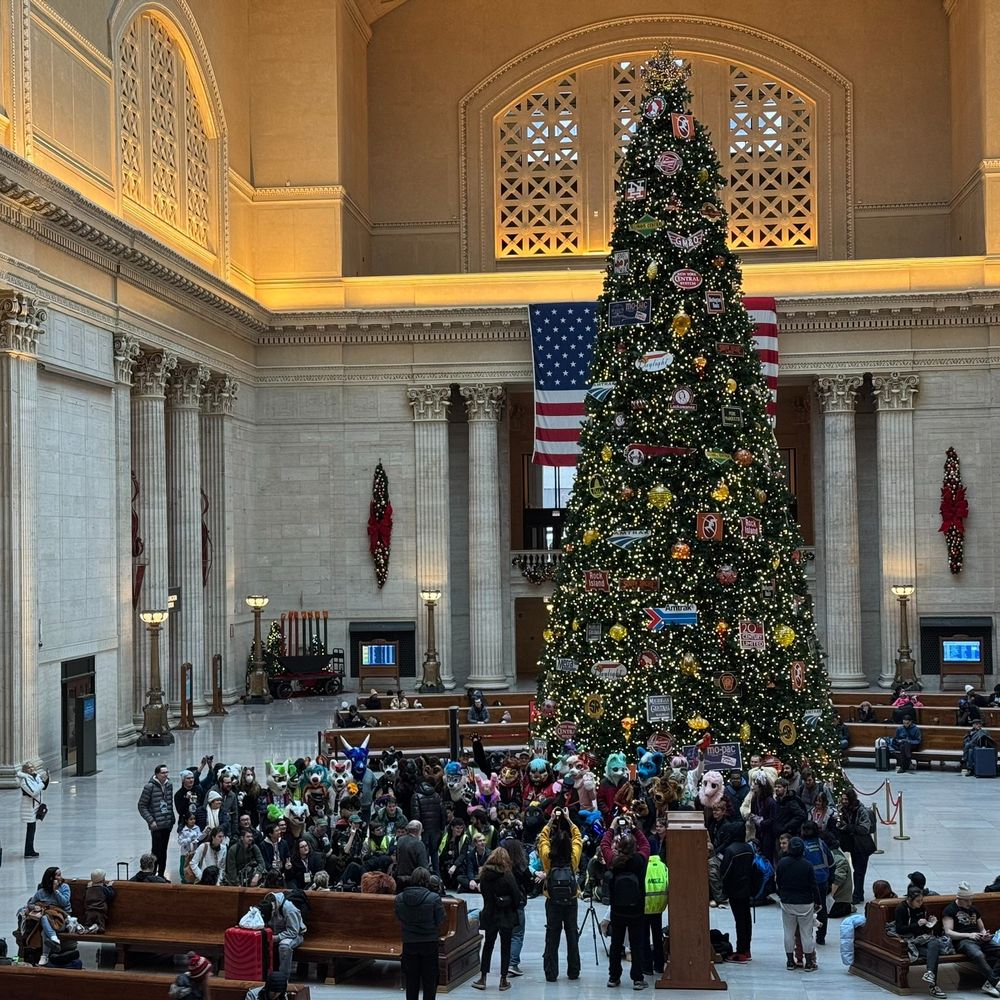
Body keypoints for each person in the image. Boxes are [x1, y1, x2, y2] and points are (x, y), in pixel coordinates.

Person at [537, 805, 581, 982]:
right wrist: (568, 820)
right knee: (572, 934)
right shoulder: (573, 857)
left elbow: (542, 838)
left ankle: (551, 973)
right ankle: (573, 971)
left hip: (553, 901)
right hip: (571, 900)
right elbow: (577, 836)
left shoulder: (548, 856)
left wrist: (550, 822)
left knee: (552, 935)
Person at [471, 847, 522, 991]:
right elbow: (517, 897)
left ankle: (483, 978)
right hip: (506, 915)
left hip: (490, 913)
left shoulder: (484, 875)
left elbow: (485, 896)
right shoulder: (507, 875)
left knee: (488, 945)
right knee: (505, 947)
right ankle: (503, 979)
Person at [605, 832, 649, 990]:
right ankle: (637, 979)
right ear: (634, 847)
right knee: (637, 944)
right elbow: (646, 845)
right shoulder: (640, 860)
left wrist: (611, 828)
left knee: (616, 944)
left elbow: (604, 845)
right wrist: (636, 828)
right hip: (636, 909)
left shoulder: (613, 860)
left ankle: (613, 977)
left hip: (617, 910)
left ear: (618, 847)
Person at [941, 882, 1000, 997]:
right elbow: (949, 932)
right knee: (978, 955)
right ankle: (995, 982)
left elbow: (981, 928)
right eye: (967, 900)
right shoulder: (950, 910)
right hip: (963, 941)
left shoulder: (973, 909)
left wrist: (985, 935)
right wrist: (969, 935)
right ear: (959, 899)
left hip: (979, 938)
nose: (970, 903)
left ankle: (989, 983)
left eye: (970, 900)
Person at [395, 866, 444, 1000]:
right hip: (429, 943)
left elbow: (399, 917)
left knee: (411, 982)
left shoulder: (399, 898)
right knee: (429, 982)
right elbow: (440, 920)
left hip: (409, 943)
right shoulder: (434, 898)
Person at [775, 836, 820, 972]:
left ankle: (790, 961)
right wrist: (818, 901)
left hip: (788, 901)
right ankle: (809, 963)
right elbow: (813, 885)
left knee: (788, 932)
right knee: (806, 933)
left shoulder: (782, 863)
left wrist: (782, 895)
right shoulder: (807, 865)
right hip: (805, 902)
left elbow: (779, 882)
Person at [895, 885, 948, 999]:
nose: (920, 903)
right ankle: (933, 985)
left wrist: (931, 924)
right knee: (934, 953)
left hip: (922, 939)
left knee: (933, 945)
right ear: (909, 899)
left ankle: (930, 974)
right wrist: (916, 924)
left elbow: (924, 930)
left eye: (921, 900)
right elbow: (899, 929)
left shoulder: (922, 908)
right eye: (918, 901)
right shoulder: (901, 909)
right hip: (909, 940)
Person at [720, 825, 755, 963]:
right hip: (747, 888)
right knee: (746, 919)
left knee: (739, 920)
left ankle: (740, 952)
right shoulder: (749, 848)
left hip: (734, 889)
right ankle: (746, 948)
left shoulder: (730, 850)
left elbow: (725, 871)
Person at [24, 866, 70, 965]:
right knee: (45, 926)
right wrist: (34, 907)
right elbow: (30, 904)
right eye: (58, 875)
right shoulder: (42, 891)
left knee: (44, 920)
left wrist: (55, 891)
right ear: (51, 878)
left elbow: (65, 903)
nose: (60, 877)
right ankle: (49, 949)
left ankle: (46, 952)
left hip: (61, 920)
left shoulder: (64, 887)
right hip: (48, 922)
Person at [837, 788, 875, 903]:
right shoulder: (844, 810)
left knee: (859, 870)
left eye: (846, 799)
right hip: (854, 845)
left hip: (862, 845)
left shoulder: (861, 811)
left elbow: (864, 829)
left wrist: (848, 827)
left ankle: (858, 895)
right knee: (857, 869)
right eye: (842, 799)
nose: (843, 801)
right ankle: (859, 893)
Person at [799, 820, 833, 945]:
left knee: (807, 909)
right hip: (823, 880)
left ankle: (807, 936)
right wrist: (831, 880)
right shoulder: (821, 843)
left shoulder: (801, 846)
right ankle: (821, 936)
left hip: (807, 882)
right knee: (821, 908)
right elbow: (831, 862)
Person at [137, 762, 174, 877]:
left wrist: (172, 819)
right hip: (156, 825)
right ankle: (152, 873)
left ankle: (162, 875)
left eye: (166, 772)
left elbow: (169, 803)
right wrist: (150, 820)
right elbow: (141, 805)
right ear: (156, 774)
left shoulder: (169, 785)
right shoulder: (149, 787)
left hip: (167, 824)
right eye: (163, 773)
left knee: (164, 851)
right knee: (156, 851)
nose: (165, 775)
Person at [503, 837, 532, 977]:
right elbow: (530, 886)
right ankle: (512, 963)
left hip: (502, 904)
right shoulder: (522, 868)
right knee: (517, 934)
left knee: (506, 935)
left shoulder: (500, 867)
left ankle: (505, 962)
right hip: (518, 904)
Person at [265, 891, 307, 977]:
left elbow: (293, 932)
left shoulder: (289, 909)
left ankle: (283, 977)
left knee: (284, 946)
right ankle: (265, 974)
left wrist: (275, 938)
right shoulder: (266, 905)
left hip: (295, 935)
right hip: (276, 934)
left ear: (274, 907)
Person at [17, 762, 49, 858]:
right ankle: (28, 851)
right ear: (25, 770)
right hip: (29, 808)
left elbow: (43, 787)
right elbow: (33, 792)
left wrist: (46, 780)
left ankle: (30, 850)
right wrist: (42, 784)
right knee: (30, 830)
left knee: (32, 830)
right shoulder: (24, 780)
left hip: (35, 807)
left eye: (32, 767)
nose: (31, 769)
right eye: (28, 768)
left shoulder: (36, 777)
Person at [825, 831, 855, 917]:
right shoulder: (830, 854)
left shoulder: (837, 858)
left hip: (838, 902)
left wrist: (826, 902)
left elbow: (837, 880)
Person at [396, 820, 432, 888]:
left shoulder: (400, 840)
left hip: (400, 879)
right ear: (418, 831)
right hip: (414, 882)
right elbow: (423, 867)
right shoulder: (419, 844)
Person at [83, 868, 116, 933]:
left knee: (87, 924)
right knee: (101, 927)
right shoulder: (103, 889)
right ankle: (97, 928)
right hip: (100, 913)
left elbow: (84, 897)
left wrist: (87, 887)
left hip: (88, 912)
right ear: (103, 880)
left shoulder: (89, 889)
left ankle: (89, 928)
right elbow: (111, 895)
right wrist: (110, 886)